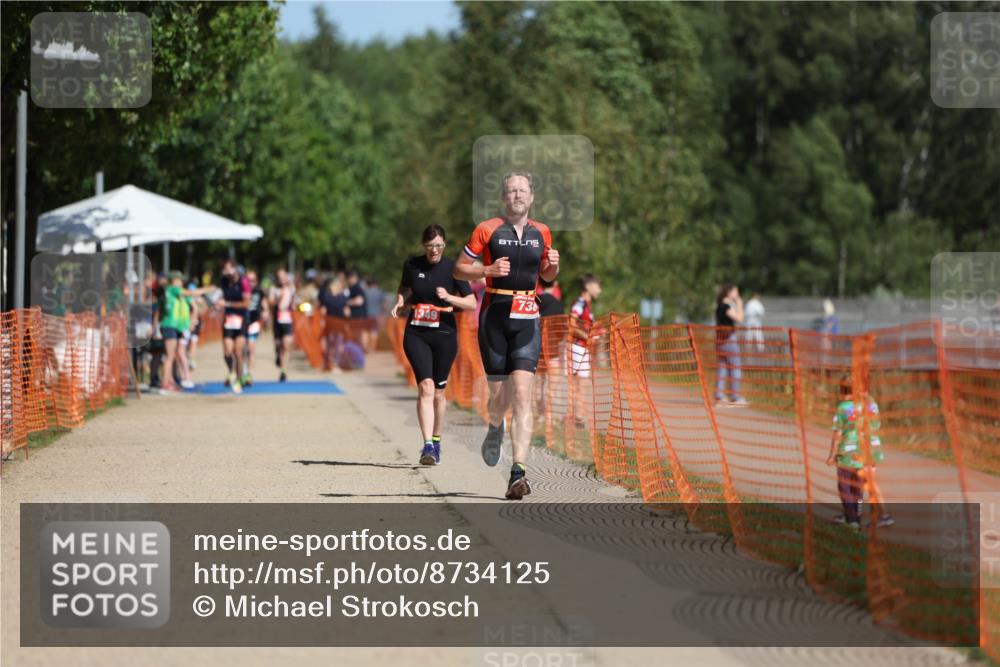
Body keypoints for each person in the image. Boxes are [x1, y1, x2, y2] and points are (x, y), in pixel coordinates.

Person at [454, 171, 560, 500]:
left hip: (528, 315)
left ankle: (518, 473)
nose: (517, 194)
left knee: (523, 396)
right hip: (495, 315)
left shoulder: (542, 232)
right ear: (503, 198)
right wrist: (486, 271)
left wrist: (553, 265)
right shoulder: (487, 229)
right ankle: (494, 426)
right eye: (511, 190)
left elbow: (546, 274)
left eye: (522, 190)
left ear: (531, 197)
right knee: (499, 400)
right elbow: (459, 268)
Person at [392, 224, 476, 465]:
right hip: (416, 332)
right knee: (426, 387)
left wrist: (449, 297)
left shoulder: (454, 269)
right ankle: (427, 446)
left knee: (439, 392)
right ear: (423, 246)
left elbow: (471, 303)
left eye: (438, 246)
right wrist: (400, 300)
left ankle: (437, 440)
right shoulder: (412, 265)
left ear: (444, 245)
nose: (434, 251)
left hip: (445, 334)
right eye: (430, 246)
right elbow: (405, 288)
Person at [826, 375, 893, 529]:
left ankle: (881, 515)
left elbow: (838, 433)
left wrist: (832, 455)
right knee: (864, 484)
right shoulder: (872, 402)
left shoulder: (845, 407)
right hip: (872, 449)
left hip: (858, 451)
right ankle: (853, 514)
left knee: (864, 484)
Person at [568, 274, 601, 428]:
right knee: (579, 383)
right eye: (597, 286)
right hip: (577, 347)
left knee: (582, 384)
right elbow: (571, 325)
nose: (599, 290)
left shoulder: (587, 305)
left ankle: (577, 416)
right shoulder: (580, 303)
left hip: (582, 347)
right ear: (588, 286)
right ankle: (576, 416)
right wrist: (589, 336)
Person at [219, 260, 251, 394]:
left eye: (229, 269)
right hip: (228, 321)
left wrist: (228, 304)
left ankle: (239, 379)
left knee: (238, 352)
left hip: (241, 319)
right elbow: (217, 293)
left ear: (235, 269)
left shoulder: (243, 282)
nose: (227, 272)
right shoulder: (224, 281)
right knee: (227, 352)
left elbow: (246, 303)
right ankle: (231, 371)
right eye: (225, 270)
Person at [715, 283, 747, 406]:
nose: (737, 294)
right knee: (735, 368)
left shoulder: (719, 305)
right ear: (729, 292)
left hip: (720, 339)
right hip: (728, 339)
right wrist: (739, 304)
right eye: (735, 292)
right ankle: (734, 396)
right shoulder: (726, 306)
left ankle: (719, 396)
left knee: (722, 367)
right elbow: (739, 318)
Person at [269, 269, 296, 382]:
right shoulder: (273, 289)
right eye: (279, 277)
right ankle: (278, 356)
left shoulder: (291, 288)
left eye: (283, 277)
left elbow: (294, 301)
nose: (281, 279)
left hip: (288, 319)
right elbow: (270, 302)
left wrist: (294, 304)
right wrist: (279, 298)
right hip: (277, 320)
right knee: (278, 345)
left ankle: (283, 371)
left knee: (287, 345)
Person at [319, 275, 350, 372]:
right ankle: (332, 363)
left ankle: (331, 362)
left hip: (334, 323)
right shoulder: (342, 297)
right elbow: (346, 312)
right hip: (335, 323)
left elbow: (323, 311)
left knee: (333, 344)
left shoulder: (328, 297)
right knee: (335, 344)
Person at [242, 270, 266, 387]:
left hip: (254, 323)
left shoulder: (259, 291)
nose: (251, 283)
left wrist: (266, 312)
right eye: (248, 280)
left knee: (251, 348)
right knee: (241, 349)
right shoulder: (241, 289)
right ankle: (243, 371)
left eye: (253, 280)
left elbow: (264, 304)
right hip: (241, 322)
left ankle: (249, 374)